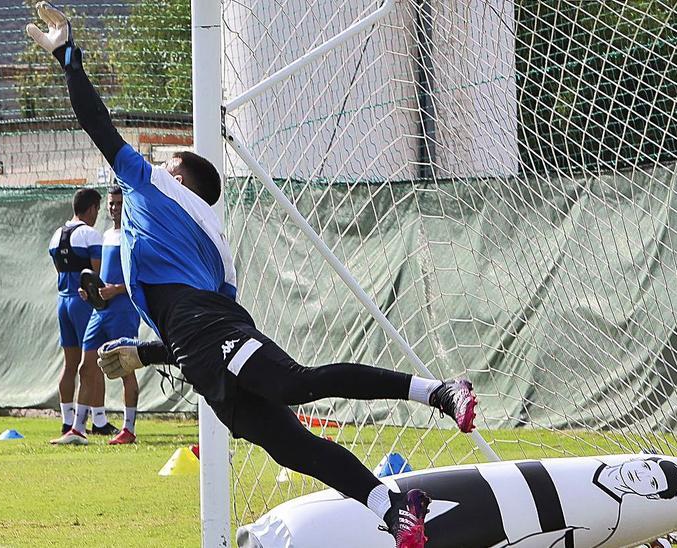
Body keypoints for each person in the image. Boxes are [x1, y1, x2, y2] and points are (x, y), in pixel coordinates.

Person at [26, 5, 478, 546]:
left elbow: (97, 126)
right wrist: (143, 352)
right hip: (195, 333)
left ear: (183, 184)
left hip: (200, 326)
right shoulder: (211, 241)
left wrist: (69, 59)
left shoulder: (159, 192)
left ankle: (441, 393)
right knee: (287, 444)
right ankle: (394, 505)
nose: (159, 167)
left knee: (295, 384)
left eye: (171, 165)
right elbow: (194, 324)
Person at [79, 185, 140, 445]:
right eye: (112, 203)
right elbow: (104, 277)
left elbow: (141, 280)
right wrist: (92, 292)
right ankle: (77, 427)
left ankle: (128, 429)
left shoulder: (135, 235)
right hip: (100, 310)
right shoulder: (105, 235)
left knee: (126, 369)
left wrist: (117, 290)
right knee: (86, 366)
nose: (115, 208)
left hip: (124, 311)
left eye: (119, 203)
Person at [47, 187, 108, 445]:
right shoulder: (89, 234)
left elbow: (58, 268)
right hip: (83, 303)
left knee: (69, 364)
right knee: (93, 362)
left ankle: (67, 420)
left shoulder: (56, 235)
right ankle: (99, 421)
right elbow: (96, 275)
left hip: (63, 301)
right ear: (92, 208)